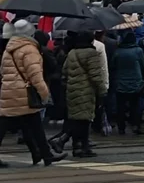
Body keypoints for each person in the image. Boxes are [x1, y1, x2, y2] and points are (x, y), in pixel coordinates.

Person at [0, 20, 63, 166]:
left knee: (30, 124)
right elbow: (35, 75)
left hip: (9, 90)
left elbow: (3, 71)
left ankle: (43, 154)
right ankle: (45, 154)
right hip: (25, 92)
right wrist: (44, 93)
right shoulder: (29, 49)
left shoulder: (9, 48)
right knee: (31, 124)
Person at [62, 30, 105, 159]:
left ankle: (77, 147)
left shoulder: (72, 53)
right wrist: (102, 91)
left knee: (77, 119)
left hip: (72, 89)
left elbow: (65, 70)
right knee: (85, 121)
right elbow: (96, 76)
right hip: (87, 90)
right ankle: (83, 146)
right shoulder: (92, 54)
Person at [111, 32, 144, 135]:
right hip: (135, 82)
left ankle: (121, 127)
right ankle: (136, 125)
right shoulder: (138, 51)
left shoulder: (118, 51)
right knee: (135, 106)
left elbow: (113, 65)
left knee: (121, 107)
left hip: (120, 82)